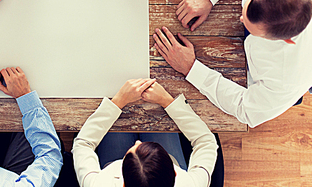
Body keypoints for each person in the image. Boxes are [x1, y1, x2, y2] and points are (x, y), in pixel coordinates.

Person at [153, 0, 312, 127]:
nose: (239, 18)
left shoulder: (287, 78)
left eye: (251, 27)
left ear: (286, 40)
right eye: (246, 9)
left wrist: (191, 68)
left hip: (292, 73)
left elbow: (246, 109)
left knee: (280, 100)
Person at [72, 78, 218, 186]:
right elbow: (207, 142)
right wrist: (166, 101)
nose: (138, 142)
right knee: (155, 110)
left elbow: (83, 144)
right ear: (174, 173)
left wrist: (119, 101)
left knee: (115, 87)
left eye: (134, 148)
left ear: (123, 184)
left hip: (112, 164)